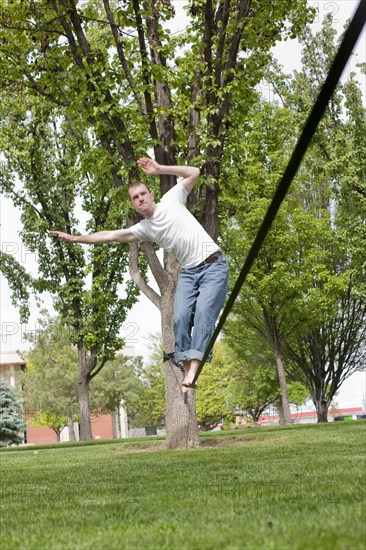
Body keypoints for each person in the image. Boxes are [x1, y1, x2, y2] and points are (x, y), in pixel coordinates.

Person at [50, 157, 229, 392]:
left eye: (143, 193)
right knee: (179, 318)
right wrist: (76, 239)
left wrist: (160, 169)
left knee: (205, 313)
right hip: (189, 272)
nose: (141, 199)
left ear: (151, 194)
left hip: (213, 265)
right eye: (135, 198)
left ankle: (193, 370)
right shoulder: (143, 229)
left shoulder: (172, 199)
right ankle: (186, 367)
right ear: (133, 205)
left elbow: (194, 172)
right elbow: (109, 235)